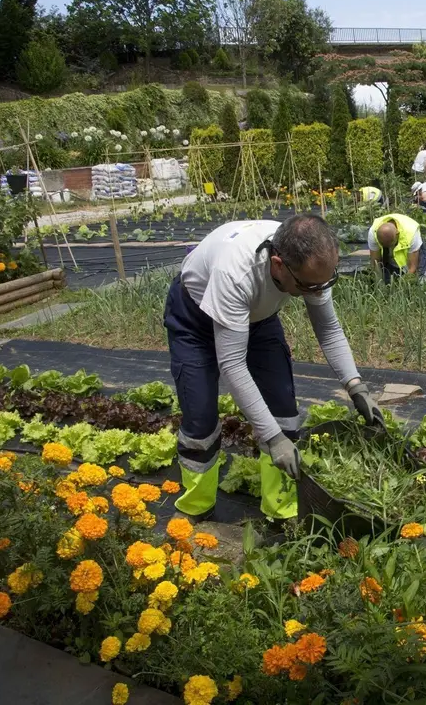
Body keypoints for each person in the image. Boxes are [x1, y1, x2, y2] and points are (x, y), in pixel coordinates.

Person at [164, 215, 383, 521]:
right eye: (308, 286)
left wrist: (355, 385)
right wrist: (272, 438)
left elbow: (329, 330)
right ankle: (196, 506)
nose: (317, 291)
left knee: (282, 405)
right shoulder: (236, 273)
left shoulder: (312, 263)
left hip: (257, 318)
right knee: (200, 414)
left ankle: (280, 510)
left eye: (325, 282)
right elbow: (233, 365)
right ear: (279, 265)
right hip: (194, 318)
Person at [367, 213, 426, 283]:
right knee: (389, 280)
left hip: (412, 250)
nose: (390, 247)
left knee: (420, 279)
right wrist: (379, 283)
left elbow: (413, 266)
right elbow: (375, 262)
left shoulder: (411, 233)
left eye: (391, 245)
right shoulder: (373, 233)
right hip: (395, 253)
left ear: (397, 234)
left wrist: (403, 284)